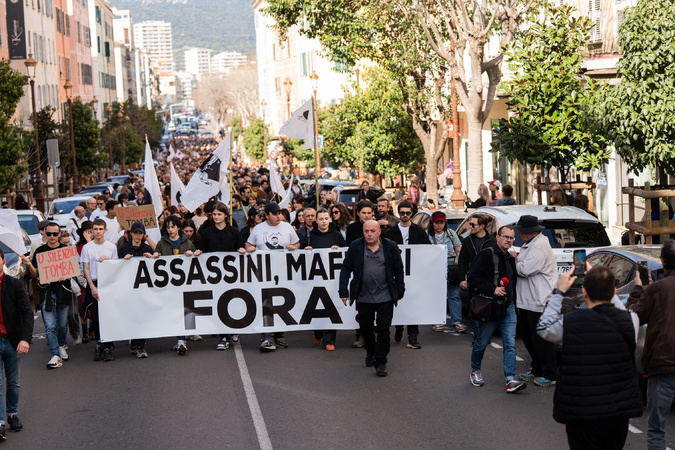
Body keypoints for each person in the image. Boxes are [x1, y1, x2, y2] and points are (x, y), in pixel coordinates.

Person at [539, 268, 643, 449]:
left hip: (581, 413)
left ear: (584, 292)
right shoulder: (630, 320)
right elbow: (621, 309)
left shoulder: (570, 322)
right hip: (617, 413)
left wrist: (559, 292)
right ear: (614, 292)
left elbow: (544, 327)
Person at [339, 220, 405, 377]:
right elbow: (346, 268)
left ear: (379, 231)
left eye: (372, 231)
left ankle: (381, 362)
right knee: (366, 330)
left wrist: (400, 290)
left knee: (383, 330)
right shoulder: (356, 246)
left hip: (385, 296)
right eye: (366, 231)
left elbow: (399, 269)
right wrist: (343, 291)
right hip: (363, 297)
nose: (369, 234)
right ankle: (371, 351)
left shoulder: (390, 246)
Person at [626, 240, 675, 449]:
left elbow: (634, 315)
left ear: (663, 263)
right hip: (663, 364)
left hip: (663, 364)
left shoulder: (655, 289)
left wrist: (638, 289)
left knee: (656, 429)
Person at [467, 225, 526, 393]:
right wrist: (492, 289)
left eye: (512, 238)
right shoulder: (486, 254)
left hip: (508, 308)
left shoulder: (509, 257)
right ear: (498, 237)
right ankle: (475, 370)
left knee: (510, 344)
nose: (509, 240)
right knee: (482, 342)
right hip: (490, 308)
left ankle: (510, 379)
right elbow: (472, 277)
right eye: (506, 237)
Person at [245, 202, 300, 352]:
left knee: (282, 302)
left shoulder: (287, 227)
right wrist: (250, 248)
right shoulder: (258, 228)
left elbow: (297, 243)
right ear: (267, 215)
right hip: (264, 274)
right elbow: (248, 244)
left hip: (283, 273)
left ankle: (279, 334)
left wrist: (294, 248)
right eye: (275, 214)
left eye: (280, 214)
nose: (279, 217)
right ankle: (267, 336)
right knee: (267, 302)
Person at [510, 215, 558, 387]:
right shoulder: (531, 243)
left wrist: (515, 260)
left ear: (530, 232)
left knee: (541, 341)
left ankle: (550, 373)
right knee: (530, 339)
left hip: (539, 300)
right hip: (528, 300)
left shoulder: (539, 246)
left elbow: (524, 269)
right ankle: (537, 369)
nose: (519, 234)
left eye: (522, 232)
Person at [21, 222, 74, 369]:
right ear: (44, 233)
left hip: (63, 292)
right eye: (48, 233)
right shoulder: (39, 251)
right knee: (50, 327)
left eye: (55, 234)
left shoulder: (66, 250)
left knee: (62, 326)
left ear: (59, 234)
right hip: (47, 294)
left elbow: (72, 272)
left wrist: (67, 276)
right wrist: (29, 264)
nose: (52, 236)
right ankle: (55, 354)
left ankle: (61, 345)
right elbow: (35, 274)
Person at [152, 215, 202, 355]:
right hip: (170, 283)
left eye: (173, 227)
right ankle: (180, 338)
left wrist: (193, 253)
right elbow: (156, 256)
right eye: (168, 227)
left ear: (178, 228)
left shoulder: (186, 242)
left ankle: (182, 339)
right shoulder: (162, 242)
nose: (170, 230)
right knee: (175, 310)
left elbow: (195, 257)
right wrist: (155, 256)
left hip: (185, 282)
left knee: (183, 309)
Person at [198, 202, 245, 351]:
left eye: (219, 214)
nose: (216, 217)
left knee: (233, 303)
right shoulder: (206, 233)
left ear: (225, 215)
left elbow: (240, 248)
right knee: (220, 305)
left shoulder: (234, 232)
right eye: (214, 214)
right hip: (214, 277)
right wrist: (198, 252)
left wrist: (243, 250)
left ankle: (234, 329)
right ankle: (224, 337)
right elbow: (202, 250)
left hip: (232, 276)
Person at [386, 200, 430, 349]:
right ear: (398, 213)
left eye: (408, 213)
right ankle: (399, 327)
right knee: (398, 302)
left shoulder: (419, 231)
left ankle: (413, 337)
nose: (405, 215)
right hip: (396, 275)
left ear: (412, 213)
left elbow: (428, 252)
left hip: (415, 275)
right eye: (402, 213)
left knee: (413, 305)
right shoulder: (390, 233)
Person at [0, 248, 34, 439]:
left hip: (12, 341)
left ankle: (12, 414)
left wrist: (25, 339)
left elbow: (27, 312)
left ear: (3, 260)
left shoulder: (14, 284)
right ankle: (0, 422)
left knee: (13, 381)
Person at [305, 208, 346, 351]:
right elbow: (300, 255)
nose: (324, 221)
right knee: (316, 307)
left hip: (332, 279)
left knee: (330, 307)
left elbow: (345, 253)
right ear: (316, 220)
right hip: (315, 279)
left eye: (326, 218)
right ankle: (318, 332)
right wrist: (307, 251)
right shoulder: (310, 236)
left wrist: (339, 249)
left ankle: (329, 340)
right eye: (321, 219)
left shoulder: (337, 236)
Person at [81, 219, 118, 362]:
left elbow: (115, 266)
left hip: (108, 282)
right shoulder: (87, 248)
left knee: (107, 316)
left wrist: (107, 261)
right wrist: (92, 287)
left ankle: (108, 346)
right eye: (95, 229)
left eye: (100, 229)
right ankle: (99, 343)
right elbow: (86, 269)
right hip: (94, 282)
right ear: (92, 230)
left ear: (105, 230)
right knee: (95, 317)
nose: (98, 232)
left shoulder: (111, 247)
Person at [117, 222, 154, 358]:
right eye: (136, 233)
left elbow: (155, 266)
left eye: (140, 233)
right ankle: (134, 339)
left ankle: (141, 346)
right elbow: (117, 267)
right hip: (129, 287)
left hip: (143, 288)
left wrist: (151, 259)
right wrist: (123, 261)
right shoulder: (124, 248)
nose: (138, 236)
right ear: (131, 233)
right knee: (132, 315)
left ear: (144, 235)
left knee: (142, 316)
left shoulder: (147, 248)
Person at [428, 211, 464, 333]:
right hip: (435, 270)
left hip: (451, 268)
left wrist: (461, 268)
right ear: (432, 223)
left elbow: (458, 250)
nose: (439, 225)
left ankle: (457, 322)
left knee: (454, 295)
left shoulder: (451, 233)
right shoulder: (427, 235)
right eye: (436, 222)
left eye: (441, 222)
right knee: (438, 296)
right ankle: (437, 322)